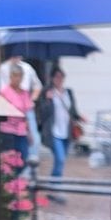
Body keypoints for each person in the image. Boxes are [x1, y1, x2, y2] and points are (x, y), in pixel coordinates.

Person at [37, 66, 84, 200]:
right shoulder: (47, 92)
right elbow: (42, 113)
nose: (59, 79)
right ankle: (56, 189)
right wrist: (48, 100)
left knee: (60, 162)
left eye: (61, 77)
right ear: (52, 78)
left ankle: (52, 187)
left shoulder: (68, 92)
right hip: (54, 132)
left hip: (67, 133)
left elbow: (72, 110)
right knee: (60, 159)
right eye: (57, 77)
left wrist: (80, 117)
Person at [0, 54, 43, 162]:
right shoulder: (4, 89)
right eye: (15, 76)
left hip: (21, 128)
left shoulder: (24, 91)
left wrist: (29, 131)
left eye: (19, 76)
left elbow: (37, 87)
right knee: (8, 157)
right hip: (7, 128)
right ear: (11, 77)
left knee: (23, 156)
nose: (17, 79)